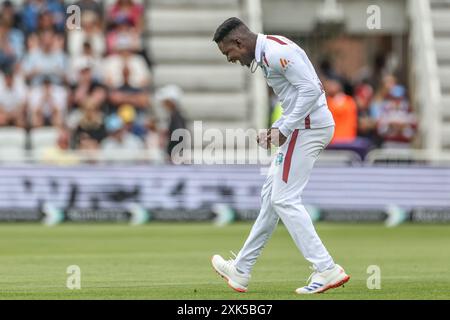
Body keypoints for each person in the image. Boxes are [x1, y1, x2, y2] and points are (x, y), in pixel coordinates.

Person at [210, 17, 350, 294]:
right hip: (303, 127)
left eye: (229, 53)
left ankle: (327, 269)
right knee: (270, 198)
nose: (230, 59)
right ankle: (241, 270)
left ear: (239, 42)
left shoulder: (275, 53)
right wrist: (276, 129)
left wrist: (284, 127)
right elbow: (294, 94)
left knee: (284, 198)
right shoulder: (267, 52)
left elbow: (311, 89)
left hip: (307, 128)